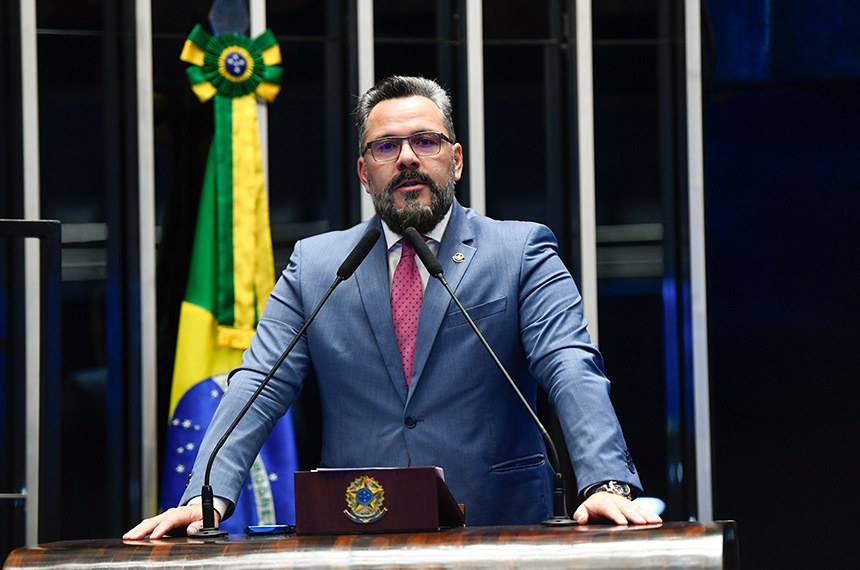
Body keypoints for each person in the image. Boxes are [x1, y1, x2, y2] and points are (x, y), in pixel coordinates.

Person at [125, 75, 661, 540]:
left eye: (425, 142)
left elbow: (570, 366)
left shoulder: (519, 252)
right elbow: (257, 383)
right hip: (358, 532)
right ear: (364, 173)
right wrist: (206, 495)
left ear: (455, 160)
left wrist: (604, 481)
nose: (406, 158)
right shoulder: (317, 266)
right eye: (386, 147)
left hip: (499, 531)